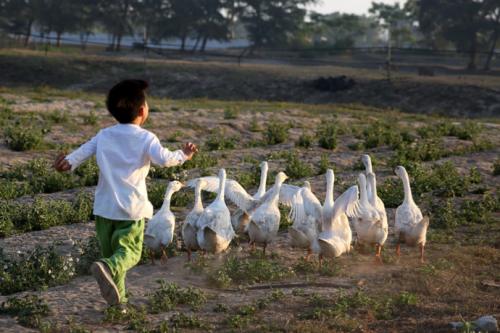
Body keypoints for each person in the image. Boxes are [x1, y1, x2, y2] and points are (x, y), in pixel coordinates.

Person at [54, 79, 197, 308]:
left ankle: (118, 304)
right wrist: (184, 154)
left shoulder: (104, 135)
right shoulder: (146, 138)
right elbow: (164, 159)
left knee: (114, 258)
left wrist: (66, 163)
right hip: (131, 210)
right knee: (128, 255)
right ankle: (108, 269)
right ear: (142, 111)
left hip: (104, 210)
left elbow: (76, 157)